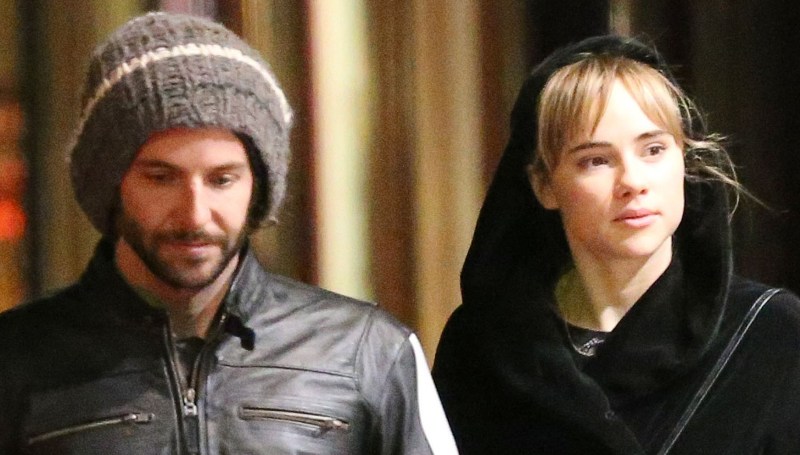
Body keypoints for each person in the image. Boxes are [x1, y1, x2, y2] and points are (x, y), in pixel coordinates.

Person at [0, 12, 457, 455]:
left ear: (257, 186)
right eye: (161, 178)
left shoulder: (368, 352)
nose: (195, 215)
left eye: (222, 180)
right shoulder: (17, 362)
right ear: (110, 182)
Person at [432, 35, 800, 454]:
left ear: (685, 159)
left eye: (654, 149)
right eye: (596, 160)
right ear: (544, 185)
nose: (632, 182)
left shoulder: (770, 335)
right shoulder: (485, 349)